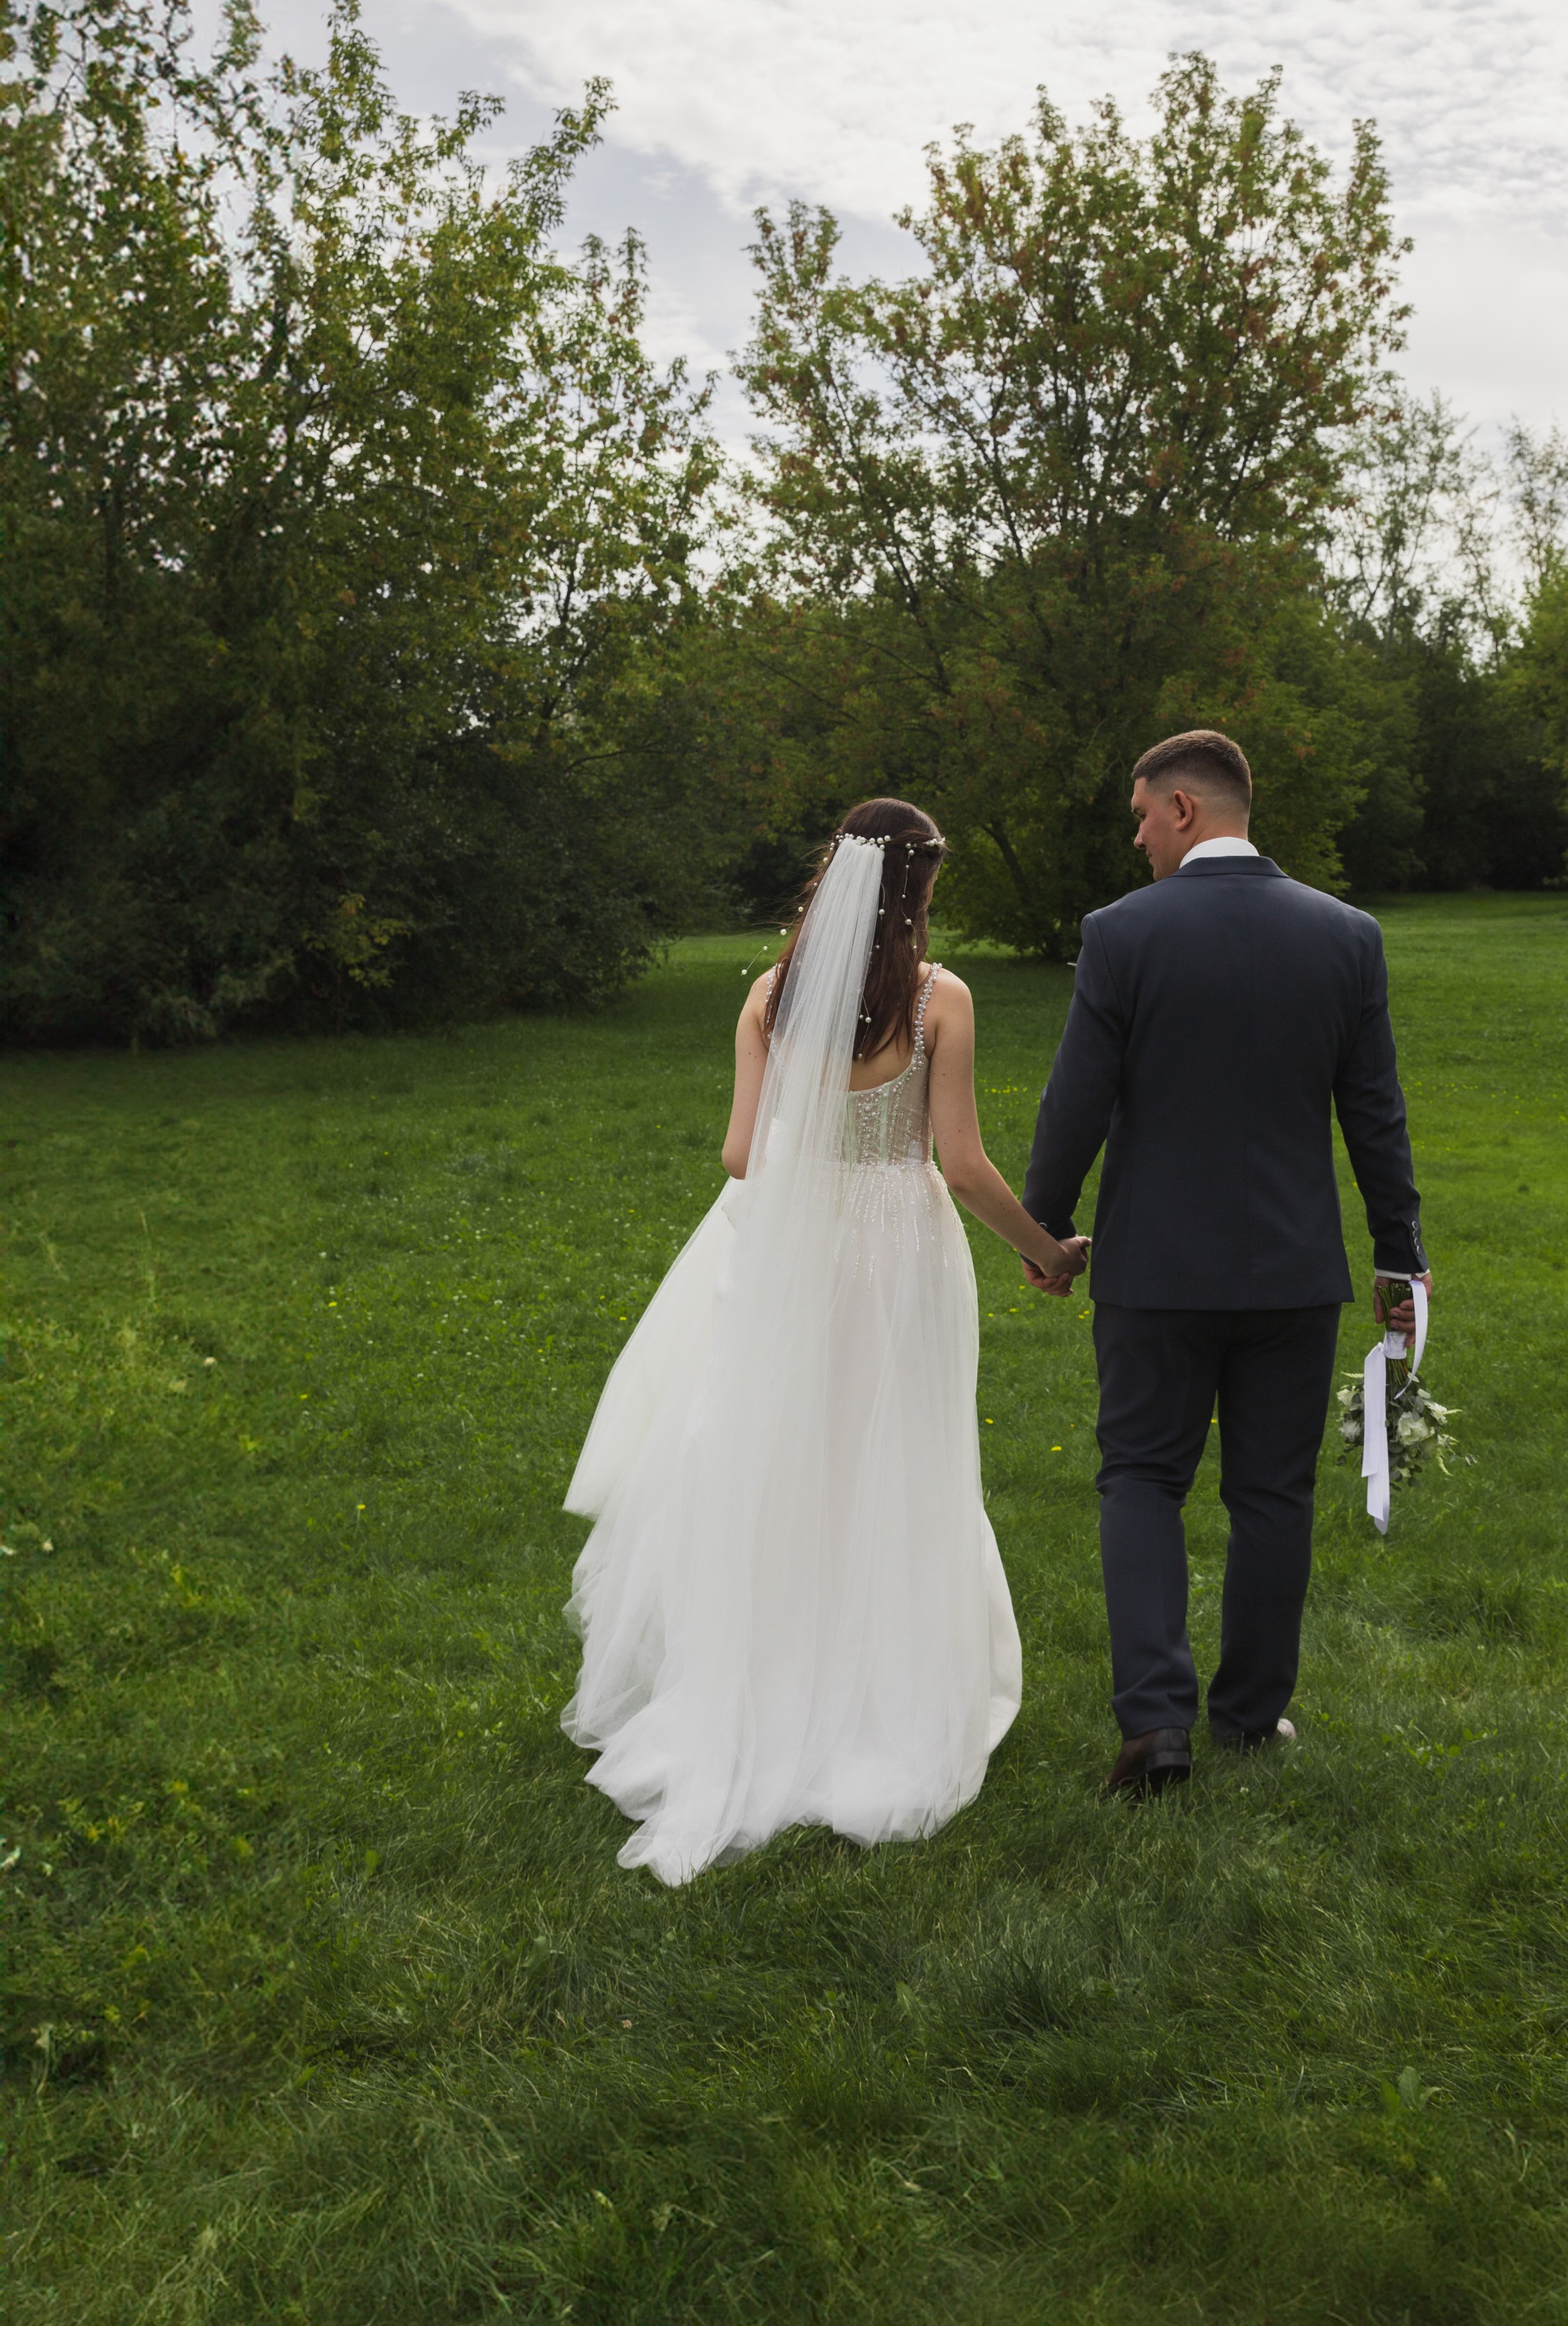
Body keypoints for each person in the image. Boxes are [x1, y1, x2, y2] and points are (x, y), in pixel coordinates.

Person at [562, 800, 1087, 1880]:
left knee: (792, 1461)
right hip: (901, 1249)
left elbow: (742, 1154)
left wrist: (816, 1150)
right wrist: (1048, 1251)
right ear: (920, 885)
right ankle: (884, 1697)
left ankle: (772, 1687)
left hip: (797, 1250)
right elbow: (963, 1165)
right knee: (894, 1459)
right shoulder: (940, 1001)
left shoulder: (771, 997)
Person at [1022, 731, 1429, 1794]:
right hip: (1294, 1270)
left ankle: (1156, 1726)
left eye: (1142, 818)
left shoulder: (1122, 933)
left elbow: (1076, 1102)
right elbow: (1375, 1112)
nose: (1139, 840)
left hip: (1155, 1271)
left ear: (1184, 809)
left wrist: (1043, 1231)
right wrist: (1401, 1258)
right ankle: (1249, 1718)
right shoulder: (1347, 936)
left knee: (1142, 1478)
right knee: (1273, 1494)